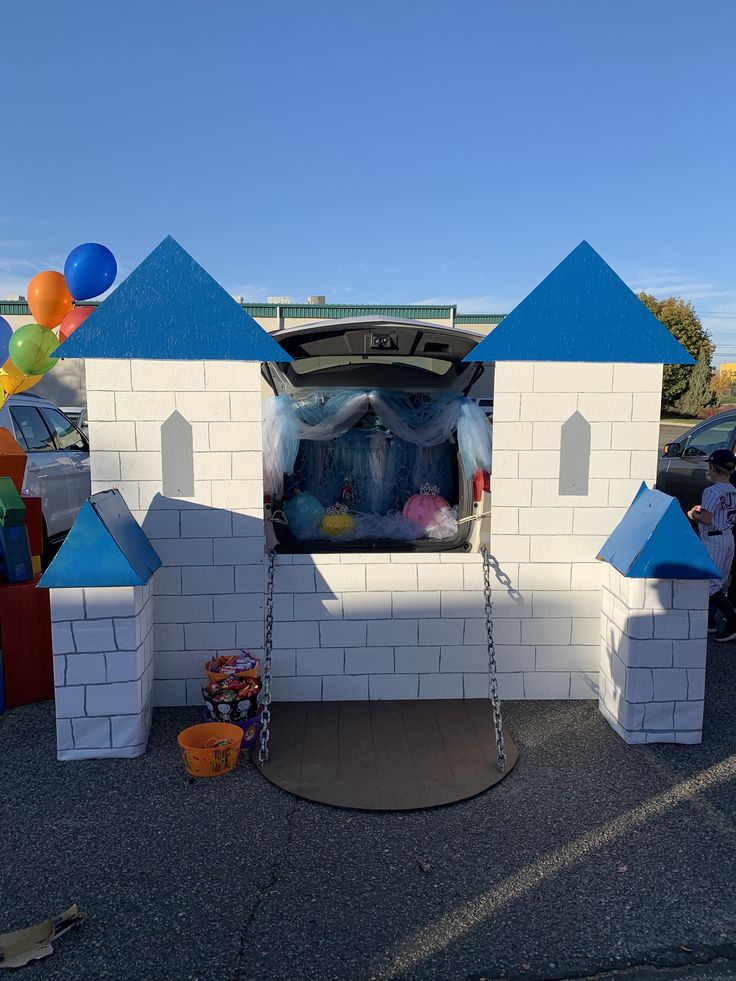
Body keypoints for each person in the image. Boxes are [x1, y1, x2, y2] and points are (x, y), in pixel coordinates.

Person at [687, 448, 736, 642]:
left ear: (713, 467)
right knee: (719, 582)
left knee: (708, 585)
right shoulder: (733, 489)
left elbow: (706, 519)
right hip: (728, 538)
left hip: (713, 539)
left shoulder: (711, 490)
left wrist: (693, 514)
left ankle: (733, 622)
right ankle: (710, 623)